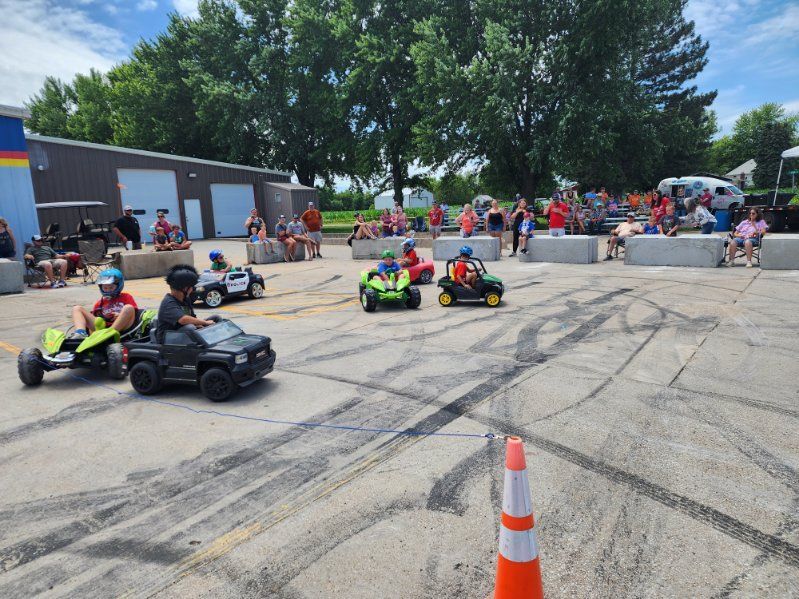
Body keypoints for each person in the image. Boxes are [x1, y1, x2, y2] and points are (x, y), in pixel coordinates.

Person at [70, 268, 137, 338]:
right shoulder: (99, 303)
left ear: (118, 286)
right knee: (77, 308)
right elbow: (96, 321)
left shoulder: (126, 297)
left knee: (128, 307)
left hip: (122, 326)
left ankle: (109, 334)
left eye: (111, 287)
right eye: (105, 288)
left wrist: (120, 315)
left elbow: (133, 313)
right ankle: (80, 333)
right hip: (103, 328)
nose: (108, 290)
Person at [156, 264, 215, 343]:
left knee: (215, 318)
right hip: (168, 340)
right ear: (185, 288)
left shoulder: (185, 299)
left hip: (182, 333)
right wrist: (204, 322)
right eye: (192, 287)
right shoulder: (168, 303)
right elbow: (183, 319)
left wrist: (199, 324)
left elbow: (192, 317)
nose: (192, 290)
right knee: (190, 328)